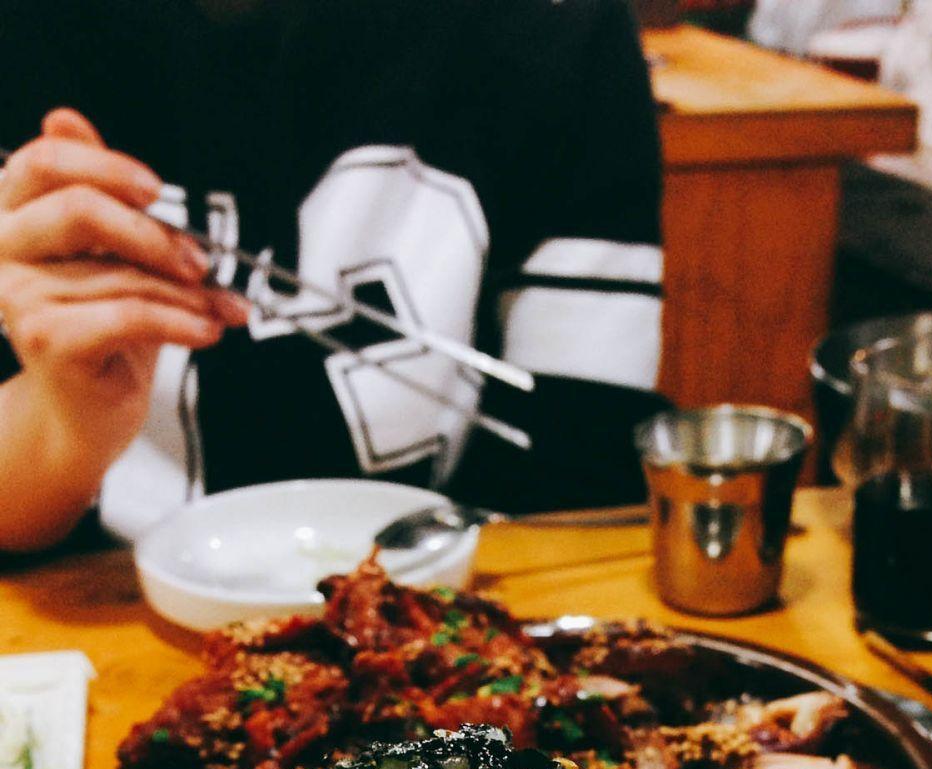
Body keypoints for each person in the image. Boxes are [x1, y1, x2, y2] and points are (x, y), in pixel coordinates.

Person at [0, 0, 665, 553]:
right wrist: (63, 428)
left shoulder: (554, 29)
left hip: (465, 623)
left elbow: (580, 492)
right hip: (83, 630)